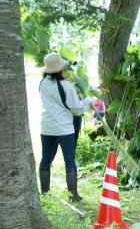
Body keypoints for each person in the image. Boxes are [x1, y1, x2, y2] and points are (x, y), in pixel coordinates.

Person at [39, 52, 94, 201]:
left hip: (47, 127)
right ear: (60, 69)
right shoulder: (66, 86)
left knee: (45, 159)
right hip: (63, 128)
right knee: (69, 160)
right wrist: (88, 99)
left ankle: (44, 193)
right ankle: (73, 195)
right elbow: (76, 109)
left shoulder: (42, 83)